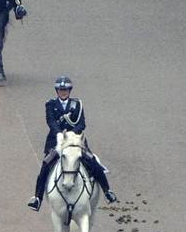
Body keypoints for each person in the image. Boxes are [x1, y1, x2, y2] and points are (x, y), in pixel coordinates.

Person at [27, 76, 118, 209]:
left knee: (92, 162)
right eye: (60, 90)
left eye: (65, 90)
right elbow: (50, 121)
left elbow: (82, 124)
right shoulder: (51, 104)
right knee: (46, 165)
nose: (63, 92)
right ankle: (37, 198)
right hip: (57, 140)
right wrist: (59, 133)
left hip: (75, 140)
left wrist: (71, 134)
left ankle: (107, 191)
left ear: (70, 91)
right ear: (56, 91)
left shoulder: (77, 104)